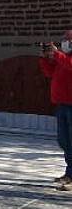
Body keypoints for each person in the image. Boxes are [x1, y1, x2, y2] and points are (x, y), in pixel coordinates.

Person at [39, 30, 72, 190]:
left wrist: (57, 54)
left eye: (68, 40)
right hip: (62, 105)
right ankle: (70, 173)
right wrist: (45, 58)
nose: (64, 43)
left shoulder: (65, 59)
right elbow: (49, 72)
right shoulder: (63, 58)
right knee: (65, 141)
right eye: (64, 40)